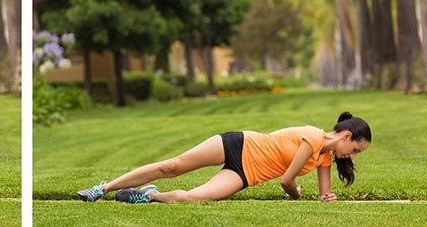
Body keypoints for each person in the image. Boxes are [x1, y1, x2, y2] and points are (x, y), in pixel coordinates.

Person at [77, 112, 371, 203]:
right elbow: (287, 180)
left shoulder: (325, 159)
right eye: (355, 149)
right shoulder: (314, 136)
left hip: (245, 175)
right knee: (172, 166)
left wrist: (326, 198)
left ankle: (149, 195)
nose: (352, 155)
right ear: (346, 136)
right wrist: (296, 193)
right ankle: (101, 189)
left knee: (190, 199)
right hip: (239, 144)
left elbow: (324, 194)